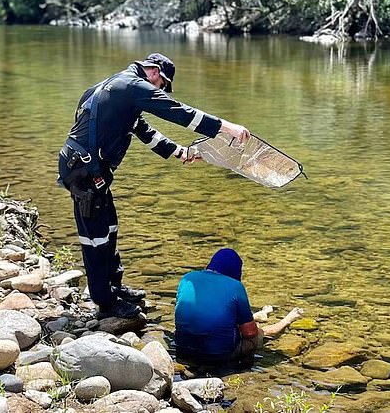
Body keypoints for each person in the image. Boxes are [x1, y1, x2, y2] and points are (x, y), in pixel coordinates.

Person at [58, 53, 250, 319]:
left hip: (89, 169)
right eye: (162, 84)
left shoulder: (117, 87)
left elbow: (144, 130)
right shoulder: (132, 87)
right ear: (153, 72)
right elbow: (178, 112)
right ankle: (105, 301)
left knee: (109, 226)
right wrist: (226, 127)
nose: (160, 90)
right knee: (96, 237)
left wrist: (179, 152)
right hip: (84, 173)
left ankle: (114, 287)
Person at [174, 248, 303, 363]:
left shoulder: (186, 278)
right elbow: (250, 333)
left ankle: (259, 315)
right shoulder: (235, 286)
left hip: (182, 349)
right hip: (219, 355)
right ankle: (287, 320)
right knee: (257, 335)